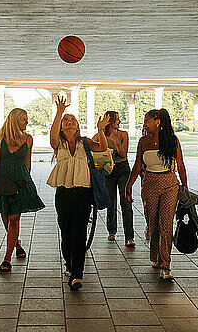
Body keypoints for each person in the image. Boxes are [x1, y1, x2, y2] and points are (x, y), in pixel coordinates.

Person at [47, 96, 108, 291]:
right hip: (64, 193)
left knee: (79, 232)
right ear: (62, 127)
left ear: (78, 126)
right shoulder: (59, 144)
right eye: (66, 121)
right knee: (66, 232)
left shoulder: (84, 142)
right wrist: (59, 112)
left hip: (83, 193)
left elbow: (103, 147)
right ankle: (69, 263)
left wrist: (100, 131)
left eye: (72, 120)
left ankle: (77, 274)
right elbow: (52, 137)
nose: (69, 122)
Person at [125, 109, 187, 280]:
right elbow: (138, 165)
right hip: (150, 182)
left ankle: (166, 265)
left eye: (147, 121)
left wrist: (185, 187)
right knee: (153, 224)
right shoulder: (143, 141)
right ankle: (156, 258)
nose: (144, 124)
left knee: (166, 224)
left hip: (169, 183)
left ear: (158, 121)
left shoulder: (172, 141)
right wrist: (128, 186)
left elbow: (180, 165)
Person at [0, 108, 45, 273]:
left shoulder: (28, 139)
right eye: (24, 119)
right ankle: (17, 244)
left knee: (14, 219)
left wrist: (27, 182)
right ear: (14, 121)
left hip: (20, 182)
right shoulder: (0, 137)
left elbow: (28, 163)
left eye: (27, 119)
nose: (27, 122)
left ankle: (7, 257)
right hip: (3, 181)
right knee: (5, 216)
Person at [94, 111, 134, 247]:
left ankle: (129, 236)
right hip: (108, 171)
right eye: (116, 119)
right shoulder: (102, 136)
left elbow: (123, 154)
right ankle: (112, 231)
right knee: (110, 202)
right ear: (109, 121)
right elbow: (91, 146)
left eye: (119, 119)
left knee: (125, 202)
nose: (119, 121)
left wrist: (117, 143)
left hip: (123, 168)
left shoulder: (123, 135)